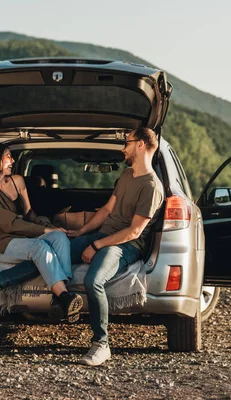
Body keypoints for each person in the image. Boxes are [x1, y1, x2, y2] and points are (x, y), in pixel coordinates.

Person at [67, 127, 164, 366]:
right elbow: (107, 210)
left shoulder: (152, 187)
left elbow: (134, 231)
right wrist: (81, 233)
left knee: (93, 280)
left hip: (126, 246)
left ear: (141, 145)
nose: (123, 148)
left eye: (127, 143)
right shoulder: (126, 176)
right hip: (103, 236)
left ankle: (101, 344)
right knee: (52, 251)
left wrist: (96, 245)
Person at [0, 142, 83, 322]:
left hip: (26, 237)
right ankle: (64, 297)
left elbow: (29, 214)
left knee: (59, 237)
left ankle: (59, 300)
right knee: (40, 249)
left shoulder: (17, 181)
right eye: (7, 157)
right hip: (2, 243)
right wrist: (44, 230)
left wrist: (49, 226)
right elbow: (10, 224)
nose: (12, 161)